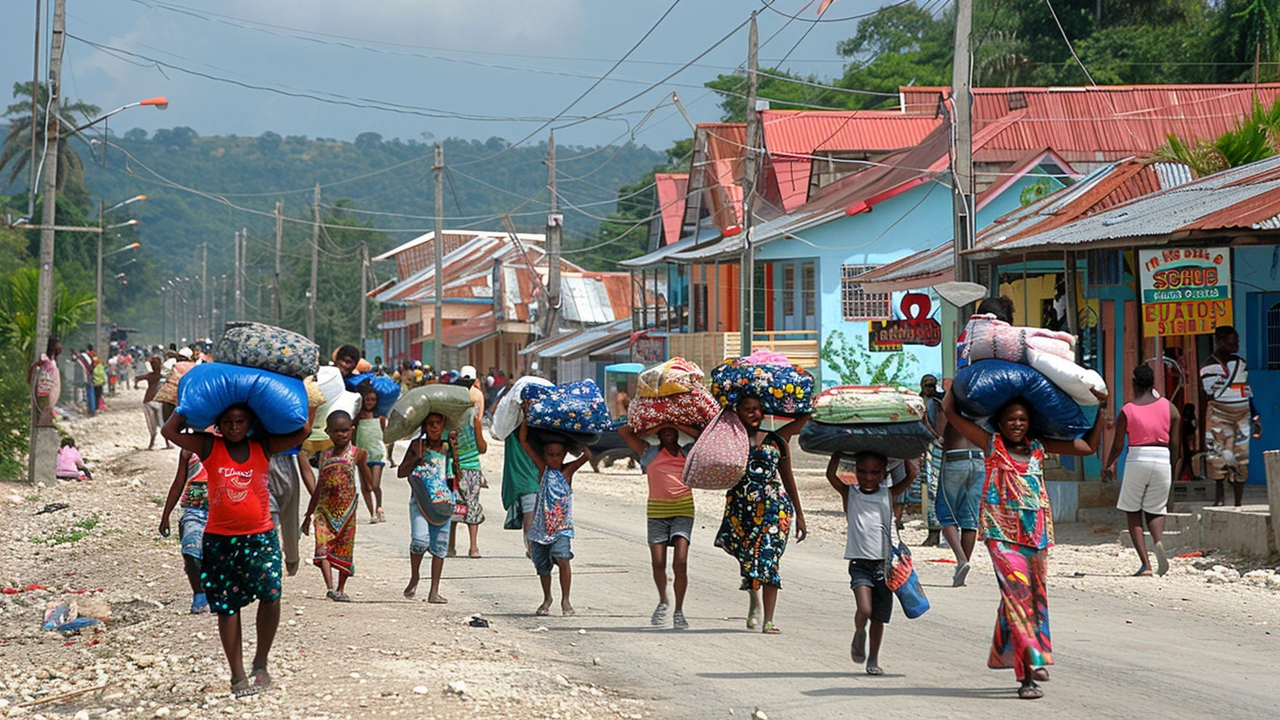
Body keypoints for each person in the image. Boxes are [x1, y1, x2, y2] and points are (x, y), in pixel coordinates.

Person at [942, 386, 1108, 700]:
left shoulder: (1038, 447)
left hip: (1036, 536)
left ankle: (1006, 654)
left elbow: (1087, 446)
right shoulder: (990, 444)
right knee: (1019, 599)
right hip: (1001, 537)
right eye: (1010, 420)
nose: (1016, 424)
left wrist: (1103, 410)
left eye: (1021, 419)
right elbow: (951, 414)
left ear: (1029, 423)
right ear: (999, 424)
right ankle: (1028, 673)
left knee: (1032, 602)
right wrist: (955, 384)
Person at [160, 403, 314, 697]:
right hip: (220, 539)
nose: (234, 427)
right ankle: (237, 674)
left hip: (260, 536)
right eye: (228, 421)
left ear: (250, 422)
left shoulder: (263, 446)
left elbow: (303, 430)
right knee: (227, 607)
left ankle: (261, 662)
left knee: (271, 594)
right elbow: (169, 430)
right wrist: (187, 406)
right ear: (218, 424)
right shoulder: (208, 446)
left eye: (240, 421)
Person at [936, 297, 1016, 586]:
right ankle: (963, 567)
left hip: (955, 458)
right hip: (981, 459)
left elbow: (946, 415)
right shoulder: (1001, 378)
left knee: (945, 513)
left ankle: (960, 559)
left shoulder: (965, 376)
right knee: (970, 518)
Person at [713, 398, 809, 634]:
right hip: (741, 507)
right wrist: (725, 411)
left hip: (774, 508)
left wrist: (800, 514)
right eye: (748, 410)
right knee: (748, 559)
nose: (754, 414)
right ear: (738, 412)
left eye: (758, 409)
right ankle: (753, 597)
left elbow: (788, 478)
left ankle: (768, 620)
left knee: (768, 559)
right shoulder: (730, 441)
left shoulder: (777, 440)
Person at [828, 450, 910, 676]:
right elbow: (830, 475)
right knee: (865, 609)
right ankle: (858, 631)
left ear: (884, 474)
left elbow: (912, 474)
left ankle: (873, 659)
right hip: (860, 563)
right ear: (855, 472)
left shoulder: (888, 494)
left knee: (878, 618)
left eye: (875, 472)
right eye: (862, 471)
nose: (869, 477)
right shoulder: (850, 493)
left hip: (885, 566)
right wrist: (837, 451)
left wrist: (906, 451)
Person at [619, 422, 702, 630]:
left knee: (681, 563)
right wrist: (656, 425)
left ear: (678, 432)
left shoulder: (688, 452)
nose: (668, 432)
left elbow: (703, 434)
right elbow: (623, 431)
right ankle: (664, 600)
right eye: (663, 430)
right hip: (657, 512)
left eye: (671, 429)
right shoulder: (648, 452)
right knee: (658, 563)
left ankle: (679, 611)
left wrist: (675, 422)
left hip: (683, 509)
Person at [1105, 365, 1180, 577]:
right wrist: (1171, 469)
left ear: (1133, 382)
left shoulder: (1128, 410)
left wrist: (1108, 465)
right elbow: (1175, 445)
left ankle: (1146, 565)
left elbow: (1119, 445)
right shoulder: (1170, 408)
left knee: (1133, 510)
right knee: (1156, 509)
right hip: (1162, 458)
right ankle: (1158, 542)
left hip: (1138, 458)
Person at [518, 420, 591, 617]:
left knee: (563, 558)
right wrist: (526, 417)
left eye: (558, 455)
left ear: (564, 455)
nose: (554, 458)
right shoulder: (543, 470)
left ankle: (566, 600)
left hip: (561, 528)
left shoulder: (568, 472)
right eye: (550, 454)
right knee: (543, 567)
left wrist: (579, 433)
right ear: (544, 455)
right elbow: (524, 441)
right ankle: (547, 598)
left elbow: (589, 455)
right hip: (541, 529)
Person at [302, 411, 369, 602]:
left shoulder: (357, 454)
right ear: (328, 432)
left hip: (347, 512)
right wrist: (308, 515)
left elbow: (369, 484)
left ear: (352, 430)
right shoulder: (325, 455)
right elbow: (319, 487)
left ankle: (340, 588)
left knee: (344, 549)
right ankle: (330, 587)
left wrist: (365, 467)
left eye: (345, 431)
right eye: (337, 431)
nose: (342, 435)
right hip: (324, 510)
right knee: (322, 546)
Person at [397, 412, 459, 604]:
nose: (434, 427)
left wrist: (455, 450)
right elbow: (401, 472)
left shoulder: (448, 447)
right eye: (430, 424)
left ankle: (434, 591)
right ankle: (415, 576)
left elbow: (456, 475)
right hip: (420, 500)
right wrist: (416, 458)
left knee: (440, 545)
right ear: (425, 426)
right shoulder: (417, 446)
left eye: (438, 423)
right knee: (419, 541)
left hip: (443, 502)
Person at [1199, 326, 1261, 507]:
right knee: (1218, 457)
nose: (1236, 345)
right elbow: (1208, 394)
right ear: (1220, 342)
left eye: (1237, 341)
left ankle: (1238, 503)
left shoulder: (1241, 363)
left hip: (1241, 415)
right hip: (1218, 415)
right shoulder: (1208, 366)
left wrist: (1255, 415)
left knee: (1241, 458)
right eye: (1232, 341)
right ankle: (1219, 499)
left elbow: (1246, 390)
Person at [159, 449, 212, 613]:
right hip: (193, 509)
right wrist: (165, 516)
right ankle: (199, 594)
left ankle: (218, 593)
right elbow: (178, 483)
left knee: (216, 554)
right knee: (190, 551)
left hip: (222, 510)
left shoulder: (229, 442)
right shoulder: (189, 449)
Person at [448, 374, 488, 558]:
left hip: (451, 468)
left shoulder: (449, 419)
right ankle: (473, 548)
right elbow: (482, 448)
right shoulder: (474, 418)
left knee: (453, 506)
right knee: (472, 505)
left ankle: (450, 546)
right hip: (472, 467)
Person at [353, 381, 388, 523]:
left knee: (374, 484)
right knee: (365, 487)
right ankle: (372, 513)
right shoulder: (358, 418)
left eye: (373, 400)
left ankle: (379, 506)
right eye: (367, 399)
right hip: (362, 455)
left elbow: (383, 435)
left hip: (377, 454)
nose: (370, 402)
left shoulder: (380, 418)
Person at [918, 374, 944, 546]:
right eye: (927, 385)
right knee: (930, 492)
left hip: (939, 448)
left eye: (933, 385)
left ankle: (939, 533)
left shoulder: (939, 402)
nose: (930, 388)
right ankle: (933, 532)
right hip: (927, 449)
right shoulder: (918, 401)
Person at [29, 336, 62, 428]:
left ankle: (46, 418)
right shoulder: (46, 361)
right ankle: (44, 420)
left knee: (49, 404)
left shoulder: (51, 360)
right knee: (46, 405)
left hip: (51, 386)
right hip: (46, 387)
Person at [138, 358, 170, 450]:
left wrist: (136, 385)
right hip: (158, 401)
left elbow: (137, 378)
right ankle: (167, 443)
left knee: (152, 425)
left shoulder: (150, 376)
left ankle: (151, 444)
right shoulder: (163, 376)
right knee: (162, 422)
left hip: (148, 401)